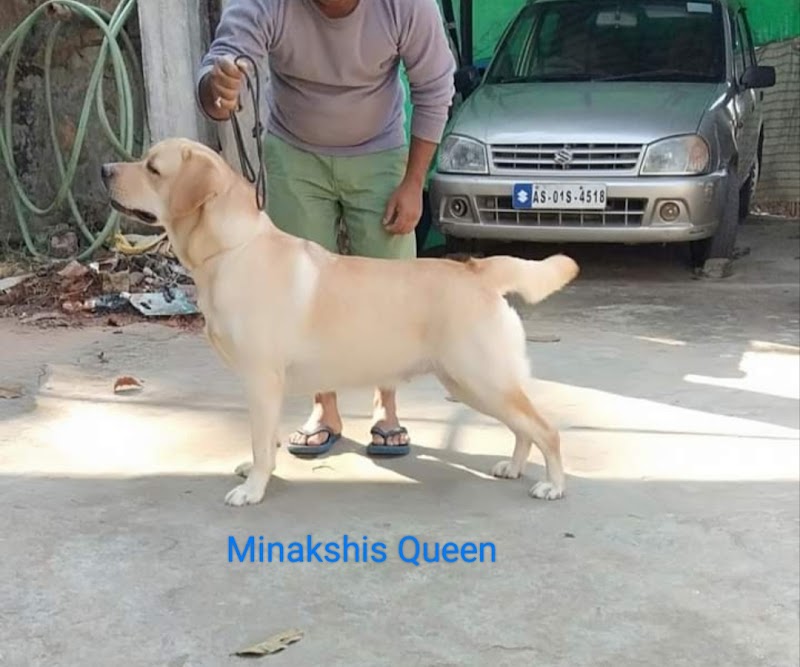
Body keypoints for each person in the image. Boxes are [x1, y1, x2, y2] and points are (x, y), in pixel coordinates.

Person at [196, 0, 456, 457]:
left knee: (390, 289)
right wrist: (218, 88)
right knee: (301, 293)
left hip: (380, 152)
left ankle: (386, 404)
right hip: (294, 152)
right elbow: (221, 65)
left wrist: (414, 182)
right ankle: (324, 407)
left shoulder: (407, 6)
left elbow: (434, 87)